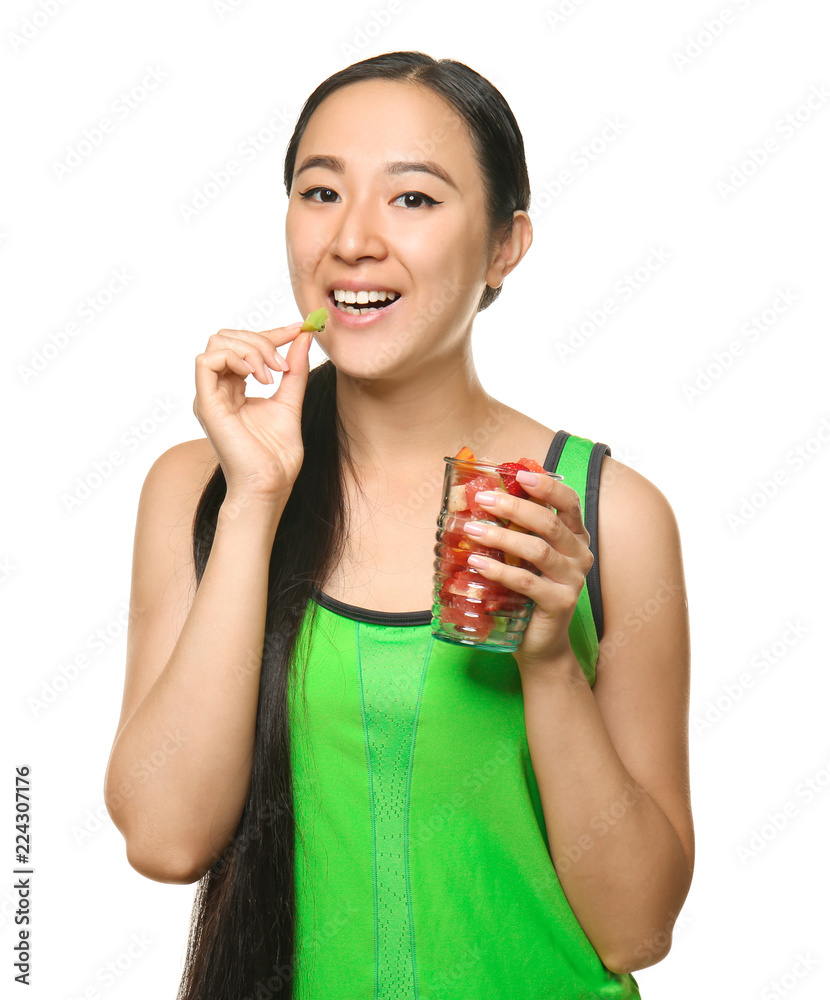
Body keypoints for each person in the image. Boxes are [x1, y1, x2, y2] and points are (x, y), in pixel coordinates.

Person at [103, 51, 693, 1000]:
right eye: (320, 192)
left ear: (506, 245)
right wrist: (256, 504)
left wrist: (546, 661)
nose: (354, 241)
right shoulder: (200, 487)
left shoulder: (604, 510)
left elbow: (638, 928)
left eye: (414, 200)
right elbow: (166, 840)